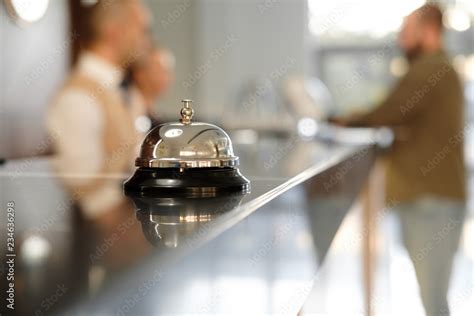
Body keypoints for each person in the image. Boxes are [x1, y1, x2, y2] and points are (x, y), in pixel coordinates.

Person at [334, 4, 466, 316]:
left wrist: (342, 121)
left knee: (434, 302)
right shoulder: (436, 68)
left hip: (430, 202)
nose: (400, 39)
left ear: (430, 30)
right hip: (430, 201)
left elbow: (387, 112)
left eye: (407, 32)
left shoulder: (430, 69)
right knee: (432, 297)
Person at [46, 0, 151, 219]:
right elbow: (84, 190)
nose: (146, 40)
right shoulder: (77, 98)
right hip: (97, 240)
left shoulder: (129, 92)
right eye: (141, 29)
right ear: (114, 32)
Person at [127, 46, 175, 131]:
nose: (166, 77)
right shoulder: (129, 111)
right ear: (139, 73)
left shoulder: (153, 115)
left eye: (167, 71)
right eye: (159, 70)